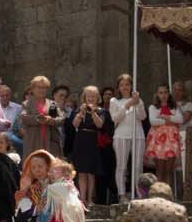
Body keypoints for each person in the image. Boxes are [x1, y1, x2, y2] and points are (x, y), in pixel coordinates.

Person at [63, 85, 111, 207]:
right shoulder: (79, 109)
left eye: (93, 96)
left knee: (91, 173)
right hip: (81, 141)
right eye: (88, 96)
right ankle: (82, 199)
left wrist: (93, 112)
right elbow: (74, 124)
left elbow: (100, 125)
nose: (91, 98)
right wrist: (81, 113)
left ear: (97, 98)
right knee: (82, 172)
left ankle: (90, 199)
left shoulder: (101, 111)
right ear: (84, 97)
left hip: (93, 141)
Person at [110, 74, 145, 204]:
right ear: (118, 87)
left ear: (131, 86)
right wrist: (128, 104)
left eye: (127, 84)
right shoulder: (114, 101)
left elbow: (142, 117)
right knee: (122, 166)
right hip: (121, 135)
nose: (125, 87)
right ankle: (122, 194)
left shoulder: (138, 100)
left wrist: (138, 104)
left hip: (138, 135)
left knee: (138, 166)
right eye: (122, 85)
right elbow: (115, 118)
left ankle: (139, 193)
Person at [146, 84, 184, 187]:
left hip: (171, 141)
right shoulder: (153, 107)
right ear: (157, 94)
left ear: (169, 93)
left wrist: (165, 117)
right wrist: (170, 120)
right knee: (159, 170)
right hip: (158, 142)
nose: (163, 95)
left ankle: (168, 197)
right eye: (161, 93)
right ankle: (159, 195)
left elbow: (180, 119)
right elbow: (153, 121)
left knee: (169, 170)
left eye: (166, 92)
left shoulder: (174, 107)